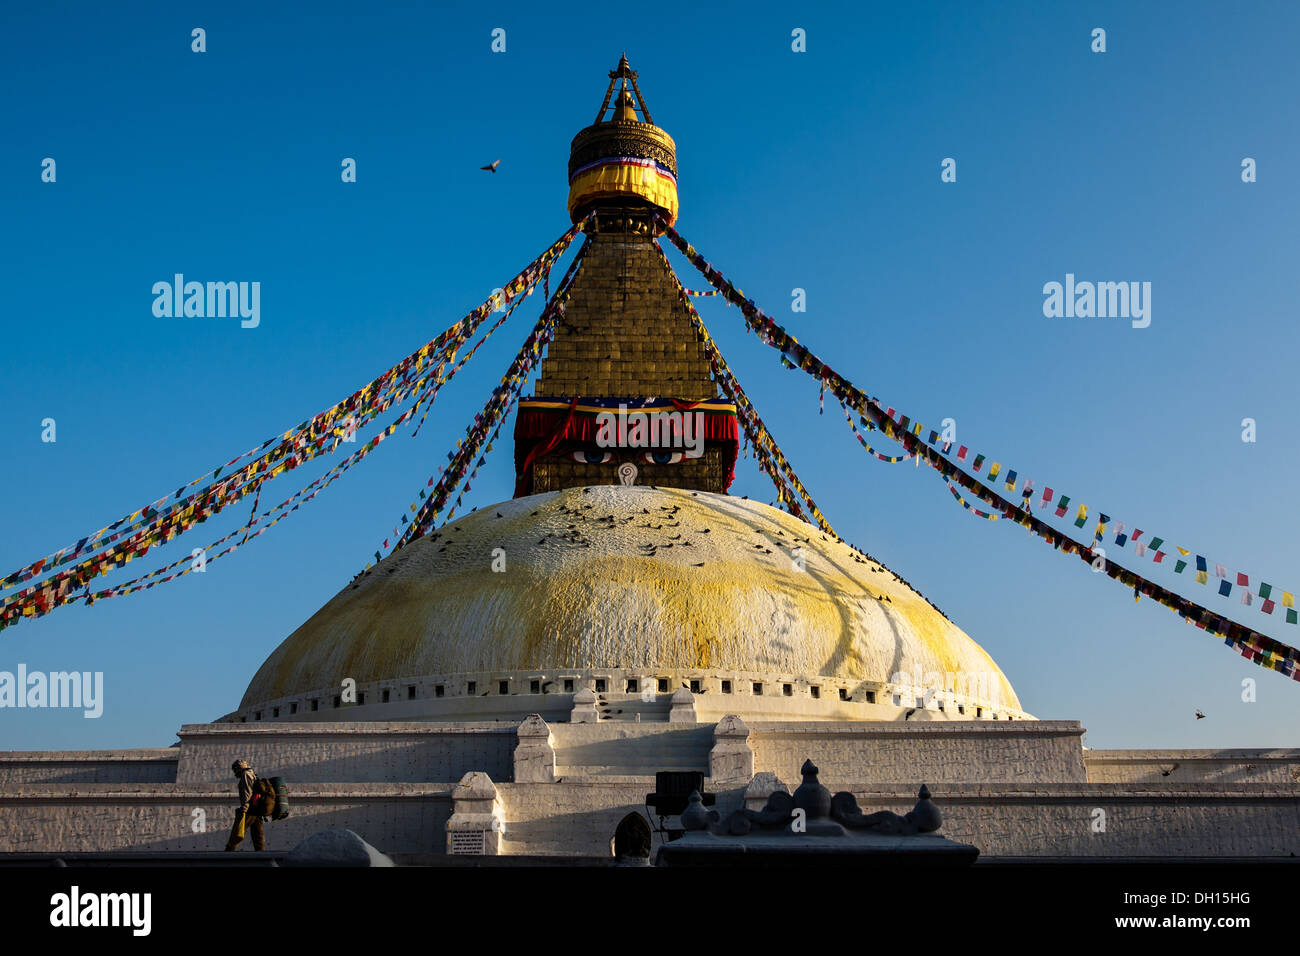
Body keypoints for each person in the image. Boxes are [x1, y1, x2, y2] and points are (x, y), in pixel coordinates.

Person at [224, 758, 267, 851]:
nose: (235, 772)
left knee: (238, 831)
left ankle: (229, 851)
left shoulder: (246, 775)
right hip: (257, 809)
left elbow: (247, 792)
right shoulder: (252, 774)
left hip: (250, 809)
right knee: (257, 834)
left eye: (235, 769)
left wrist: (245, 808)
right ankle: (261, 853)